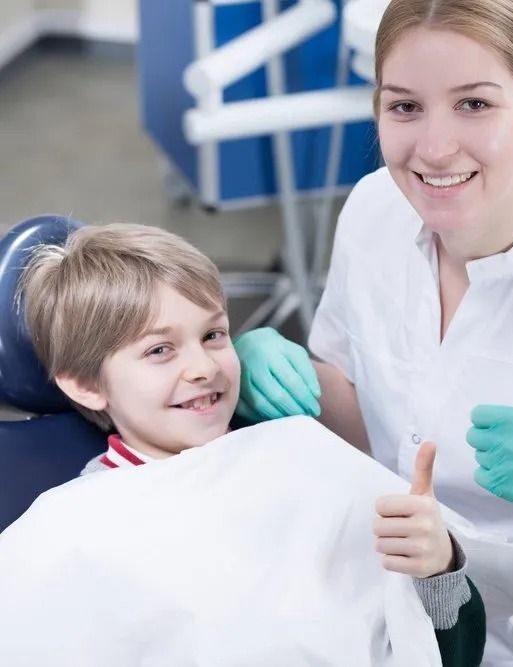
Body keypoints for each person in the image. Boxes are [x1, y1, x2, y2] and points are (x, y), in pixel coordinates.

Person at [234, 0, 513, 663]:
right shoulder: (374, 209)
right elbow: (376, 429)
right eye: (405, 107)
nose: (435, 148)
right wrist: (253, 371)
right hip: (381, 590)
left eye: (473, 104)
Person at [17, 223, 485, 666]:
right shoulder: (69, 534)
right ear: (84, 384)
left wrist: (437, 569)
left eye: (213, 335)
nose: (203, 366)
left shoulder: (306, 458)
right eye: (159, 350)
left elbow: (453, 653)